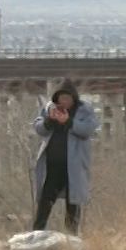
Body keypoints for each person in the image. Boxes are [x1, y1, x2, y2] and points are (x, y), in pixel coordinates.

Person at [30, 80, 97, 233]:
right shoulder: (49, 109)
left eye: (67, 98)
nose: (64, 102)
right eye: (61, 98)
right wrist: (50, 120)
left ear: (73, 98)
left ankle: (71, 237)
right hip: (52, 165)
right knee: (45, 199)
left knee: (73, 202)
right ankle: (36, 233)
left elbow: (88, 130)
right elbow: (39, 128)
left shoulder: (84, 110)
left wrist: (68, 121)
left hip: (73, 165)